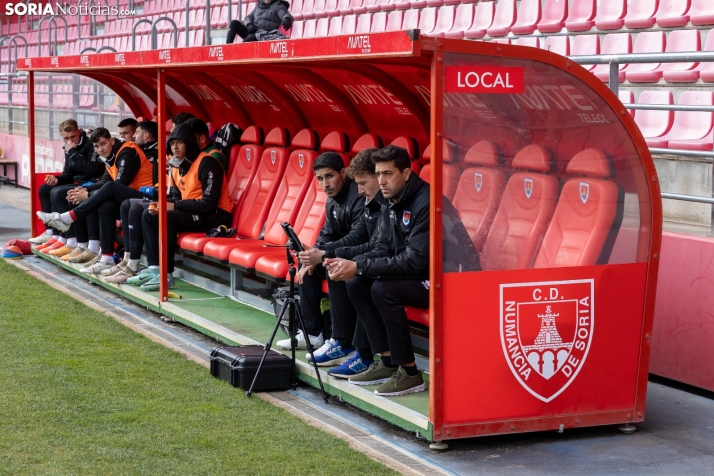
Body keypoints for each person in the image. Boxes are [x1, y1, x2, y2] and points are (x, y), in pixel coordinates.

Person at [275, 151, 365, 354]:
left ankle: (342, 341)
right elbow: (327, 232)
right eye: (320, 179)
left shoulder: (358, 194)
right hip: (340, 252)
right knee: (308, 265)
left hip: (359, 255)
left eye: (329, 176)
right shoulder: (332, 199)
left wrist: (323, 253)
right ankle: (312, 333)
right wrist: (314, 253)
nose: (325, 184)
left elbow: (358, 236)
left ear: (343, 173)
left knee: (330, 264)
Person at [38, 127, 154, 274]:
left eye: (103, 144)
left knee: (108, 189)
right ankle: (106, 258)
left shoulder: (127, 151)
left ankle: (68, 218)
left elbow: (118, 186)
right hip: (129, 200)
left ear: (111, 140)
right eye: (97, 146)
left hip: (149, 198)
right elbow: (105, 181)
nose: (101, 149)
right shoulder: (110, 156)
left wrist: (88, 195)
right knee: (104, 205)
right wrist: (86, 190)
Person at [136, 122, 233, 292]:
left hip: (216, 216)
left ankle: (167, 275)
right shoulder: (176, 165)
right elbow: (174, 197)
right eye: (172, 143)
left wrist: (172, 206)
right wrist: (162, 205)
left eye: (179, 142)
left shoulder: (207, 163)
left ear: (189, 142)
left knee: (168, 217)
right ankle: (154, 270)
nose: (175, 147)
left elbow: (209, 203)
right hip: (193, 211)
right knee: (148, 214)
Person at [317, 148, 385, 379]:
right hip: (398, 265)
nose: (360, 190)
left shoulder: (399, 201)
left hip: (425, 276)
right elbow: (375, 245)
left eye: (364, 183)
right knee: (337, 266)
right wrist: (329, 253)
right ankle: (332, 338)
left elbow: (378, 247)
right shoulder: (374, 202)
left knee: (360, 280)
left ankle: (371, 357)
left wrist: (352, 262)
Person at [31, 119, 104, 253]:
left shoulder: (89, 144)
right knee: (45, 189)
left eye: (73, 136)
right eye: (66, 138)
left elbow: (93, 170)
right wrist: (57, 180)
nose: (70, 141)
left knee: (58, 193)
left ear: (79, 131)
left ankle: (70, 240)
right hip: (77, 182)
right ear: (61, 136)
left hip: (92, 183)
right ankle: (52, 233)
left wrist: (74, 153)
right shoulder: (69, 148)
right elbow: (67, 174)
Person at [107, 120, 161, 284]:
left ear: (145, 135)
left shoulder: (142, 153)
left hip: (160, 200)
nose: (123, 138)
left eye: (129, 133)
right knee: (118, 204)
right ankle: (120, 259)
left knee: (136, 208)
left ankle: (141, 267)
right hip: (153, 197)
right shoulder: (134, 151)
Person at [226, 0, 293, 44]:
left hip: (264, 34)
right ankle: (227, 49)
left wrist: (287, 19)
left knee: (246, 41)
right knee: (233, 24)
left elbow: (285, 14)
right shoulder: (258, 5)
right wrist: (249, 24)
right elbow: (248, 17)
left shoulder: (279, 6)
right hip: (252, 31)